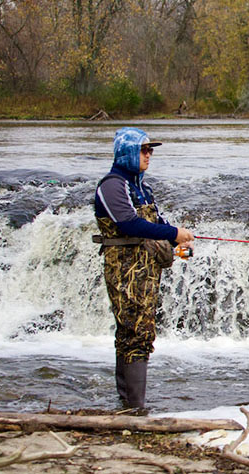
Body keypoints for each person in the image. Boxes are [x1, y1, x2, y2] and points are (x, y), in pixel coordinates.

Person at [93, 127, 194, 409]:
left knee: (137, 332)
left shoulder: (142, 187)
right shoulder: (113, 185)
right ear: (127, 152)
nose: (149, 155)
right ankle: (135, 407)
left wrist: (177, 241)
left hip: (147, 271)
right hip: (125, 270)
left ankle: (129, 405)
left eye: (150, 150)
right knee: (134, 332)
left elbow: (157, 224)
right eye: (144, 150)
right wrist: (173, 233)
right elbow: (128, 223)